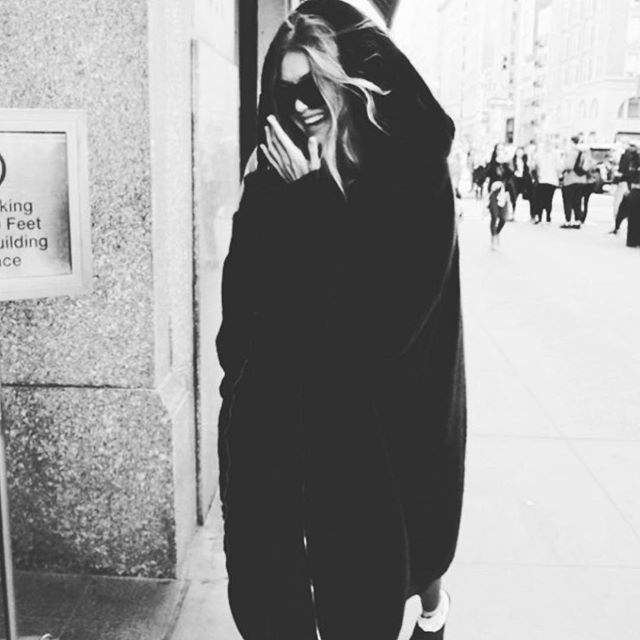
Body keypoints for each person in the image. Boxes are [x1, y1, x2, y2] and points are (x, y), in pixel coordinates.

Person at [216, 3, 467, 640]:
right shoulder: (276, 171)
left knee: (367, 595)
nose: (301, 104)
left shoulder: (409, 175)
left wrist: (312, 203)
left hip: (374, 435)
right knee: (272, 600)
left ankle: (432, 606)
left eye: (314, 84)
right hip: (279, 427)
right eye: (286, 89)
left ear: (346, 81)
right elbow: (241, 310)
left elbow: (381, 326)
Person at [530, 137, 562, 223]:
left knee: (541, 199)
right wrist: (558, 177)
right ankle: (548, 216)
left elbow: (533, 166)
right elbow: (559, 168)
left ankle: (541, 216)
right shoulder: (555, 155)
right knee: (548, 199)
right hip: (551, 181)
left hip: (542, 180)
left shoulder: (539, 155)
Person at [560, 135, 588, 228]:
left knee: (568, 201)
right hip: (581, 180)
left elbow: (568, 166)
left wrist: (562, 171)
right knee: (578, 201)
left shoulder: (572, 152)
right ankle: (577, 221)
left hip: (570, 179)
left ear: (571, 142)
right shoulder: (584, 152)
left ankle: (568, 221)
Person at [510, 146, 533, 220]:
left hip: (524, 180)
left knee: (530, 197)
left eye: (521, 152)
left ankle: (532, 215)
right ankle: (512, 214)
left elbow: (529, 171)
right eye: (518, 152)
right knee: (513, 197)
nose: (520, 153)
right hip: (515, 180)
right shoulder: (512, 161)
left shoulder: (526, 161)